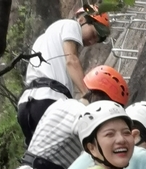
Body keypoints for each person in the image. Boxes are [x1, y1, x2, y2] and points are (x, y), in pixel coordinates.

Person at [17, 5, 111, 144]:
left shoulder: (44, 40)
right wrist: (88, 95)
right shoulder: (71, 25)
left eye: (95, 41)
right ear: (82, 20)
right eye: (93, 34)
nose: (91, 42)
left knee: (40, 156)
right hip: (48, 100)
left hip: (26, 105)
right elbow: (71, 60)